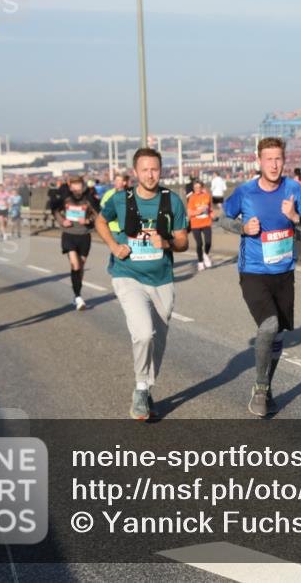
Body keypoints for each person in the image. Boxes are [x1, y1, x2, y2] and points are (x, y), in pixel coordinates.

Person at [220, 137, 301, 417]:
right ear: (259, 161)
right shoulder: (246, 192)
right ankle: (261, 388)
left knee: (278, 334)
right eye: (269, 159)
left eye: (278, 159)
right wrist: (242, 227)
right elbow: (223, 219)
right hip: (253, 271)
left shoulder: (294, 189)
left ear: (284, 160)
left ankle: (266, 385)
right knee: (269, 325)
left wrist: (296, 217)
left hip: (284, 273)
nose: (274, 164)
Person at [96, 148, 189, 421]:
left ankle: (147, 387)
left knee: (157, 340)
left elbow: (183, 241)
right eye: (145, 169)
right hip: (128, 275)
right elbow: (101, 221)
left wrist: (169, 242)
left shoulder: (172, 201)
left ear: (161, 171)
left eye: (155, 169)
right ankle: (140, 388)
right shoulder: (120, 200)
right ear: (135, 172)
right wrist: (114, 246)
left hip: (162, 279)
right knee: (144, 333)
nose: (150, 174)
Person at [55, 176, 100, 311]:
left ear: (83, 185)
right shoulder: (66, 198)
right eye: (73, 185)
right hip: (69, 235)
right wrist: (62, 221)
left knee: (81, 266)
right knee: (75, 264)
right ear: (70, 186)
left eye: (78, 185)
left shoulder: (89, 197)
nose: (76, 188)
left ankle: (76, 291)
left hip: (84, 235)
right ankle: (78, 296)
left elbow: (96, 214)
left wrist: (88, 221)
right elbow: (56, 211)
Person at [186, 180, 213, 271]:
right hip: (195, 224)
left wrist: (211, 213)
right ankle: (200, 262)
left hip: (206, 222)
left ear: (202, 187)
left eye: (199, 187)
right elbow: (189, 213)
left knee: (208, 242)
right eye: (195, 188)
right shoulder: (192, 198)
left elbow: (209, 208)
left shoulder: (207, 196)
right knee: (199, 243)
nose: (197, 189)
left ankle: (205, 254)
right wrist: (200, 211)